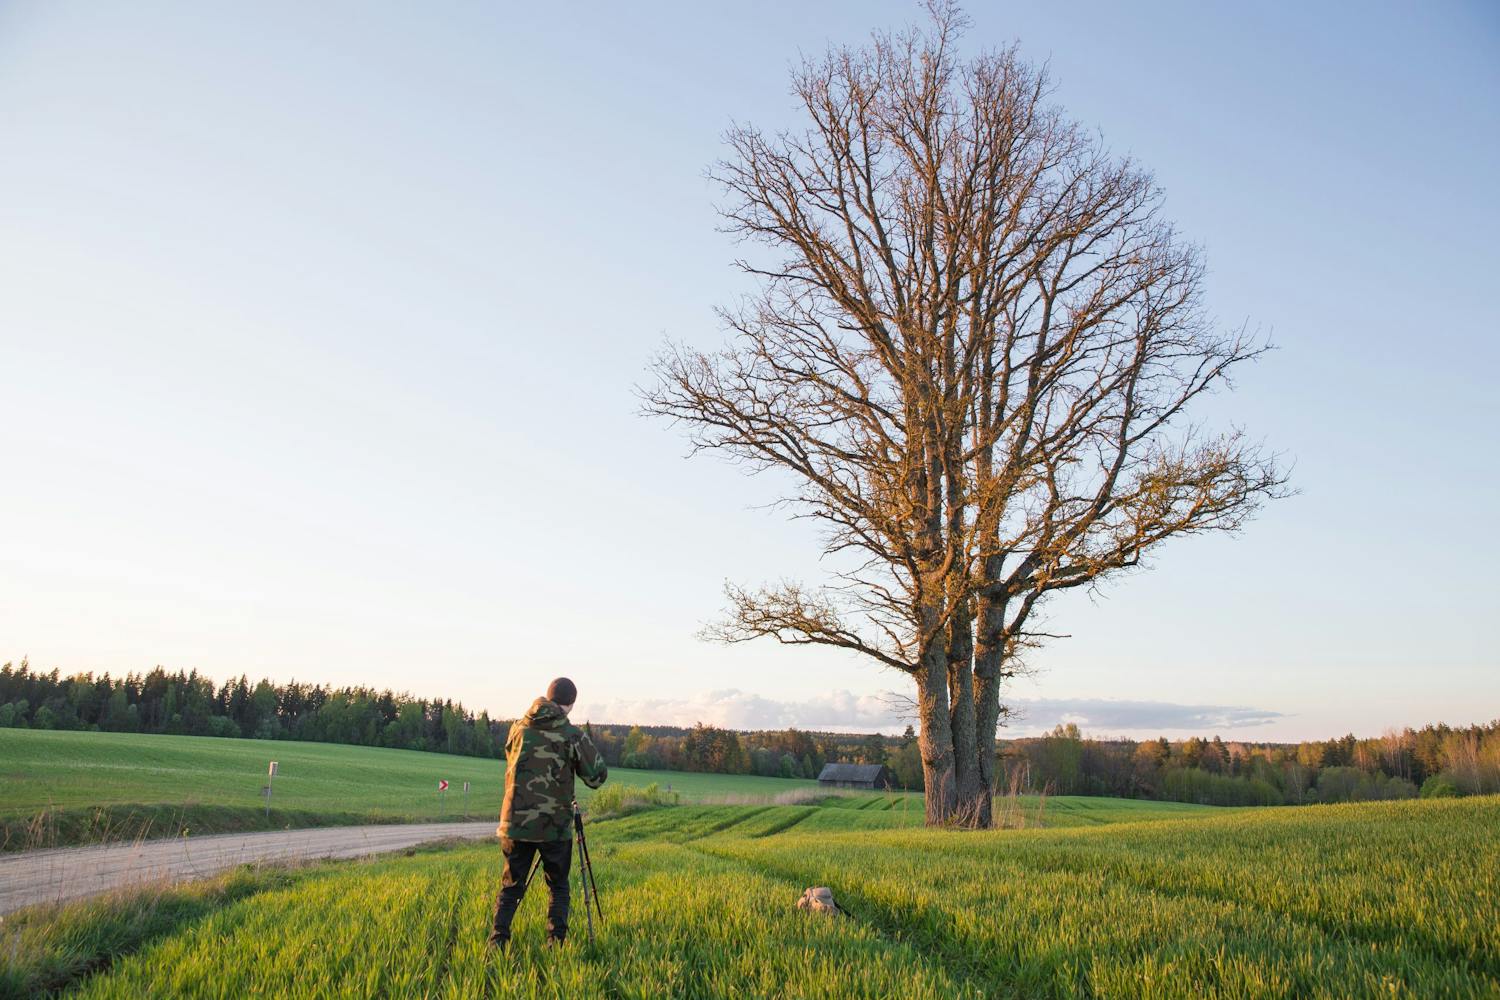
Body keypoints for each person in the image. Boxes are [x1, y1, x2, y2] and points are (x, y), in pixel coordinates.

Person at [489, 676, 607, 950]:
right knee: (558, 886)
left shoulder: (518, 728)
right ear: (571, 704)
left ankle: (497, 942)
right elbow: (597, 777)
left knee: (511, 886)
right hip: (554, 826)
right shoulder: (571, 734)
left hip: (515, 822)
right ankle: (555, 944)